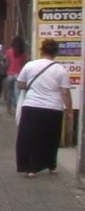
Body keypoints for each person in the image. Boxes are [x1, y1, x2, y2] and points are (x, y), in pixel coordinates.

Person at [15, 39, 73, 177]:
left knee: (29, 137)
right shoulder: (60, 69)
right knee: (51, 138)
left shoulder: (30, 65)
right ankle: (51, 165)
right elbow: (65, 92)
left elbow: (20, 85)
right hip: (53, 108)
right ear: (56, 52)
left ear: (41, 50)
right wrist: (69, 111)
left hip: (31, 106)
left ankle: (30, 168)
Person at [5, 36, 28, 115]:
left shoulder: (8, 52)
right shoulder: (23, 53)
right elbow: (24, 64)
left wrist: (6, 72)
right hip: (19, 75)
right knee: (17, 93)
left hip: (10, 74)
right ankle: (18, 109)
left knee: (9, 93)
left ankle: (8, 110)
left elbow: (7, 63)